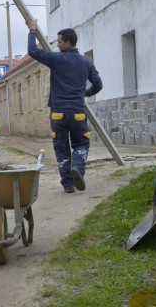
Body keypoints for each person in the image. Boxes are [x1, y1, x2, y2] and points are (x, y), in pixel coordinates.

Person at [26, 20, 102, 193]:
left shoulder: (57, 59)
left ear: (68, 43)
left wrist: (32, 31)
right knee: (81, 145)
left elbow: (32, 51)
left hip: (58, 114)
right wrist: (85, 93)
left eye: (59, 41)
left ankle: (68, 184)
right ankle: (78, 168)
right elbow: (98, 85)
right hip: (77, 112)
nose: (57, 44)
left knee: (61, 149)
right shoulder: (86, 62)